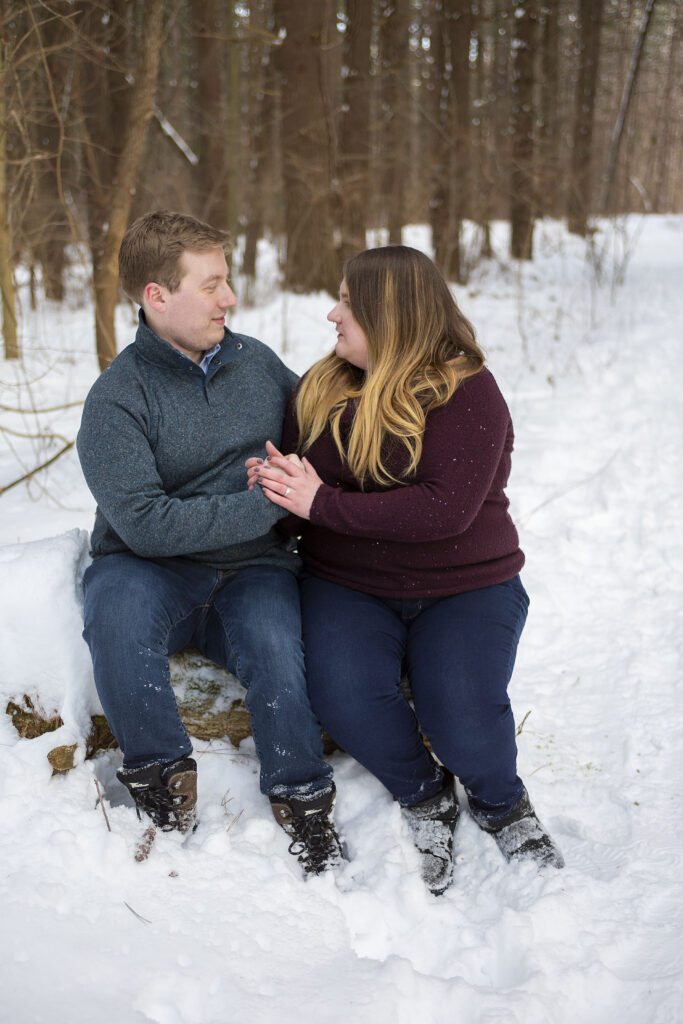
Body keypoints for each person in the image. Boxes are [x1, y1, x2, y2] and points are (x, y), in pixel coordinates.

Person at [249, 245, 564, 895]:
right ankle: (425, 795)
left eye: (347, 302)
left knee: (461, 712)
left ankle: (501, 802)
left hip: (466, 587)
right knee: (344, 695)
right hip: (348, 585)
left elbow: (443, 511)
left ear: (390, 316)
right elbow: (299, 511)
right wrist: (278, 493)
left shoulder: (464, 389)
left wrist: (321, 501)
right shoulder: (321, 388)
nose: (331, 313)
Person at [77, 210, 342, 874]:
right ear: (157, 296)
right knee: (114, 613)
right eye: (213, 283)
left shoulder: (258, 366)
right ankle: (161, 777)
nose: (230, 298)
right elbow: (147, 525)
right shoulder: (116, 400)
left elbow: (325, 443)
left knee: (276, 644)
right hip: (146, 569)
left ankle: (302, 795)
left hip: (253, 570)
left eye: (228, 281)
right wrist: (262, 506)